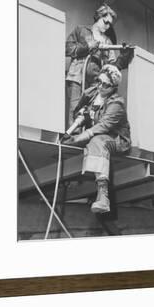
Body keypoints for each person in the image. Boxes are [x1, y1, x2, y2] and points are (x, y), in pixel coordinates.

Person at [62, 64, 131, 214]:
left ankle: (103, 197)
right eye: (99, 81)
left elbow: (104, 126)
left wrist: (80, 137)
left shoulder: (117, 103)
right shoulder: (92, 93)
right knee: (86, 141)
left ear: (113, 87)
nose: (101, 86)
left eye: (106, 85)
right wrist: (80, 116)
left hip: (116, 139)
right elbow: (78, 112)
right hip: (95, 134)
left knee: (97, 141)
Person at [65, 3, 131, 127]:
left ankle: (84, 142)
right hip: (77, 78)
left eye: (110, 24)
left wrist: (123, 57)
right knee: (75, 111)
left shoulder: (108, 41)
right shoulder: (81, 30)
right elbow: (67, 48)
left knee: (90, 114)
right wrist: (88, 46)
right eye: (105, 22)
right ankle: (71, 140)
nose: (107, 26)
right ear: (98, 17)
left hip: (96, 84)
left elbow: (112, 65)